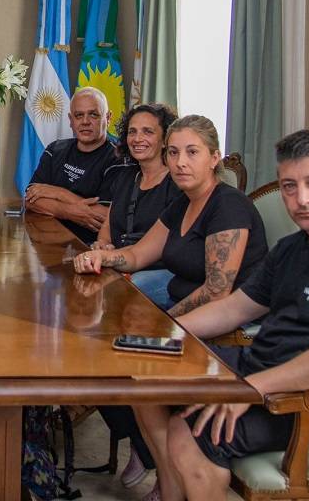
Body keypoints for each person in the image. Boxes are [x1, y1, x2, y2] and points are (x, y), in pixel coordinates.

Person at [133, 130, 309, 501]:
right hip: (264, 366)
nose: (302, 199)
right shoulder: (293, 247)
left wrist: (250, 390)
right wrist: (164, 334)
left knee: (192, 432)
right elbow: (235, 307)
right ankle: (171, 493)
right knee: (147, 376)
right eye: (289, 187)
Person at [74, 114, 267, 316]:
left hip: (219, 319)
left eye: (192, 152)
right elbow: (137, 255)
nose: (180, 162)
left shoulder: (228, 205)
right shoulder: (183, 203)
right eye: (173, 152)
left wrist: (166, 322)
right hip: (175, 303)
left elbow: (215, 293)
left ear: (214, 158)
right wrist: (100, 256)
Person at [91, 103, 181, 488]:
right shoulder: (126, 178)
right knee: (85, 347)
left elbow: (165, 248)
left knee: (107, 332)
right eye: (132, 131)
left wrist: (114, 261)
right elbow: (107, 231)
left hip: (155, 273)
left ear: (164, 138)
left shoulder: (177, 181)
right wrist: (101, 250)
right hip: (120, 266)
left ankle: (149, 451)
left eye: (148, 131)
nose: (138, 139)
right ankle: (139, 442)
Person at [24, 87, 119, 245]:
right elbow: (30, 200)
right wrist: (69, 212)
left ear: (108, 118)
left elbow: (102, 216)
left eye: (93, 114)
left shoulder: (117, 159)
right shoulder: (55, 149)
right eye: (78, 115)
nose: (85, 122)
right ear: (70, 119)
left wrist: (57, 193)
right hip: (48, 242)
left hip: (90, 247)